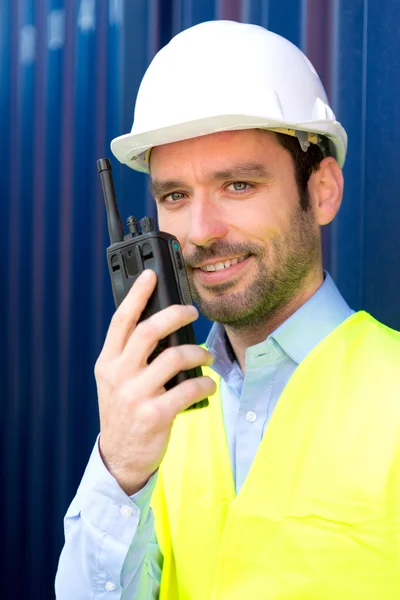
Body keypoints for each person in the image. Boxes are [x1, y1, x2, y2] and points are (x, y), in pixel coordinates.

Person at [55, 20, 400, 600]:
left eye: (238, 185)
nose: (200, 232)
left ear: (322, 191)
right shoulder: (156, 405)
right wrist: (120, 470)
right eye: (174, 196)